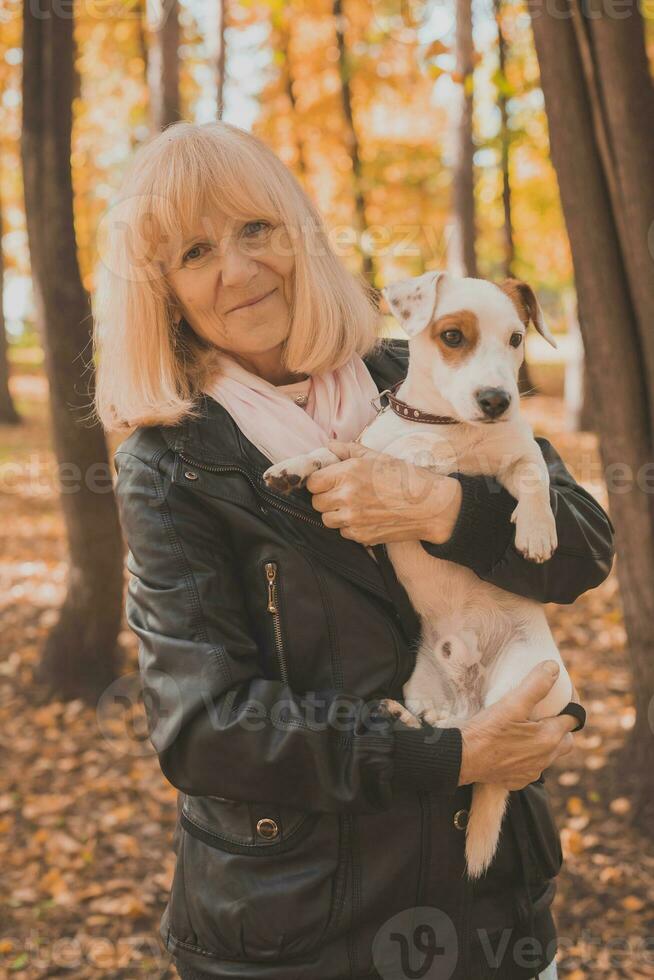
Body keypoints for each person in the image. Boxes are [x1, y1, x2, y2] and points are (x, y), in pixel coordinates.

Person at [94, 121, 614, 980]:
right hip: (301, 931)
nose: (239, 267)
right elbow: (205, 730)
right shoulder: (169, 462)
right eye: (195, 251)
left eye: (255, 229)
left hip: (491, 919)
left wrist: (446, 508)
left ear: (297, 231)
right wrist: (452, 755)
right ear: (164, 292)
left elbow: (582, 547)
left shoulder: (421, 363)